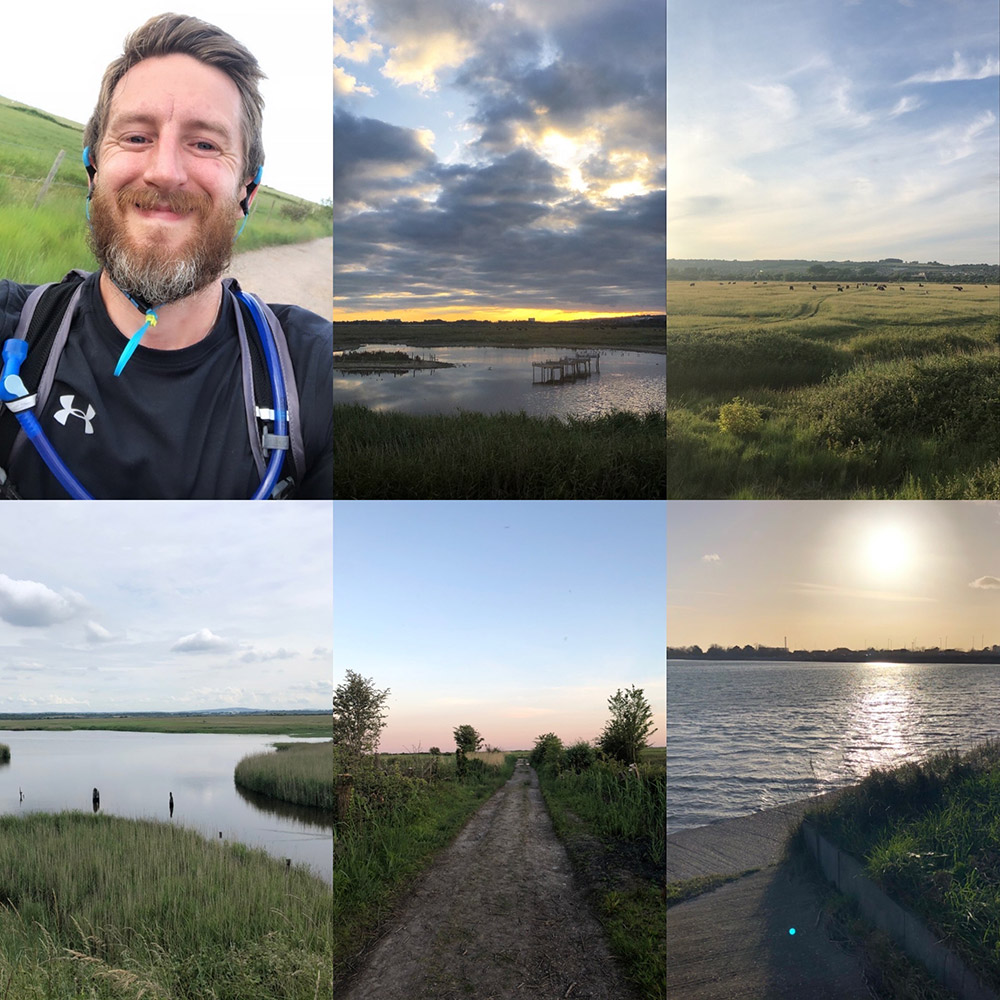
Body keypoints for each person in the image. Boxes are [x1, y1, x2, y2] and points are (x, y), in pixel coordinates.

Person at [0, 13, 331, 498]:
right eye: (136, 136)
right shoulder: (16, 329)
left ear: (248, 192)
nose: (165, 172)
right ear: (93, 171)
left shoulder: (314, 372)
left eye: (204, 143)